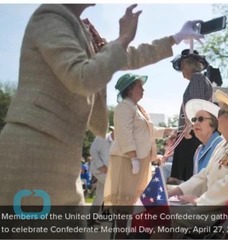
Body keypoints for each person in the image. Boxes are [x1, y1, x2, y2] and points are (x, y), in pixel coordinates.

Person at [0, 4, 203, 207]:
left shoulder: (81, 29)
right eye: (139, 86)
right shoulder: (50, 17)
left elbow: (126, 55)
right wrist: (123, 38)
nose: (143, 89)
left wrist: (175, 38)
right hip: (35, 144)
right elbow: (82, 77)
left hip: (63, 146)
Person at [103, 73, 173, 239]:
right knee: (123, 205)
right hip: (127, 160)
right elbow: (124, 133)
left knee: (132, 204)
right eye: (139, 86)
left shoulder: (139, 109)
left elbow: (148, 132)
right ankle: (120, 237)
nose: (143, 89)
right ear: (129, 90)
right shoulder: (124, 107)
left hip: (139, 161)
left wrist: (168, 131)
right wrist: (133, 156)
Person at [170, 49, 213, 182]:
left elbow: (196, 107)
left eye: (183, 68)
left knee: (188, 177)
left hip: (192, 134)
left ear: (189, 65)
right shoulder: (200, 79)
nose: (182, 73)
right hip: (192, 131)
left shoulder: (197, 79)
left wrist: (190, 128)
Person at [185, 99, 224, 174]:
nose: (196, 123)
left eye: (200, 119)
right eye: (194, 119)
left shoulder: (221, 146)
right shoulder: (198, 150)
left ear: (213, 123)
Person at [88, 126, 114, 226]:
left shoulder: (120, 141)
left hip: (109, 173)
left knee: (100, 196)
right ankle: (106, 214)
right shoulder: (102, 137)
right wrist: (101, 166)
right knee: (113, 189)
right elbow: (93, 151)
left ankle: (91, 219)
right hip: (100, 171)